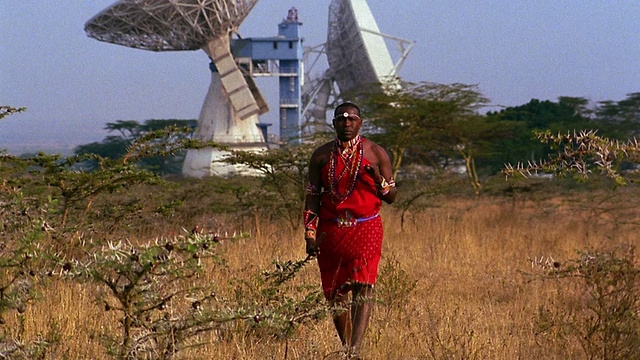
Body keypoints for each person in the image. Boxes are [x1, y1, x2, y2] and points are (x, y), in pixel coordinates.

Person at [304, 101, 397, 358]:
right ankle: (347, 348)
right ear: (333, 123)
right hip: (331, 230)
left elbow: (392, 197)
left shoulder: (376, 153)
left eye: (352, 119)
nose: (347, 124)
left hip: (366, 226)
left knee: (363, 284)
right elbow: (312, 195)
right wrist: (310, 234)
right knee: (335, 292)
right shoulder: (322, 156)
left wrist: (379, 180)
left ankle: (354, 351)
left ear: (360, 123)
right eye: (341, 119)